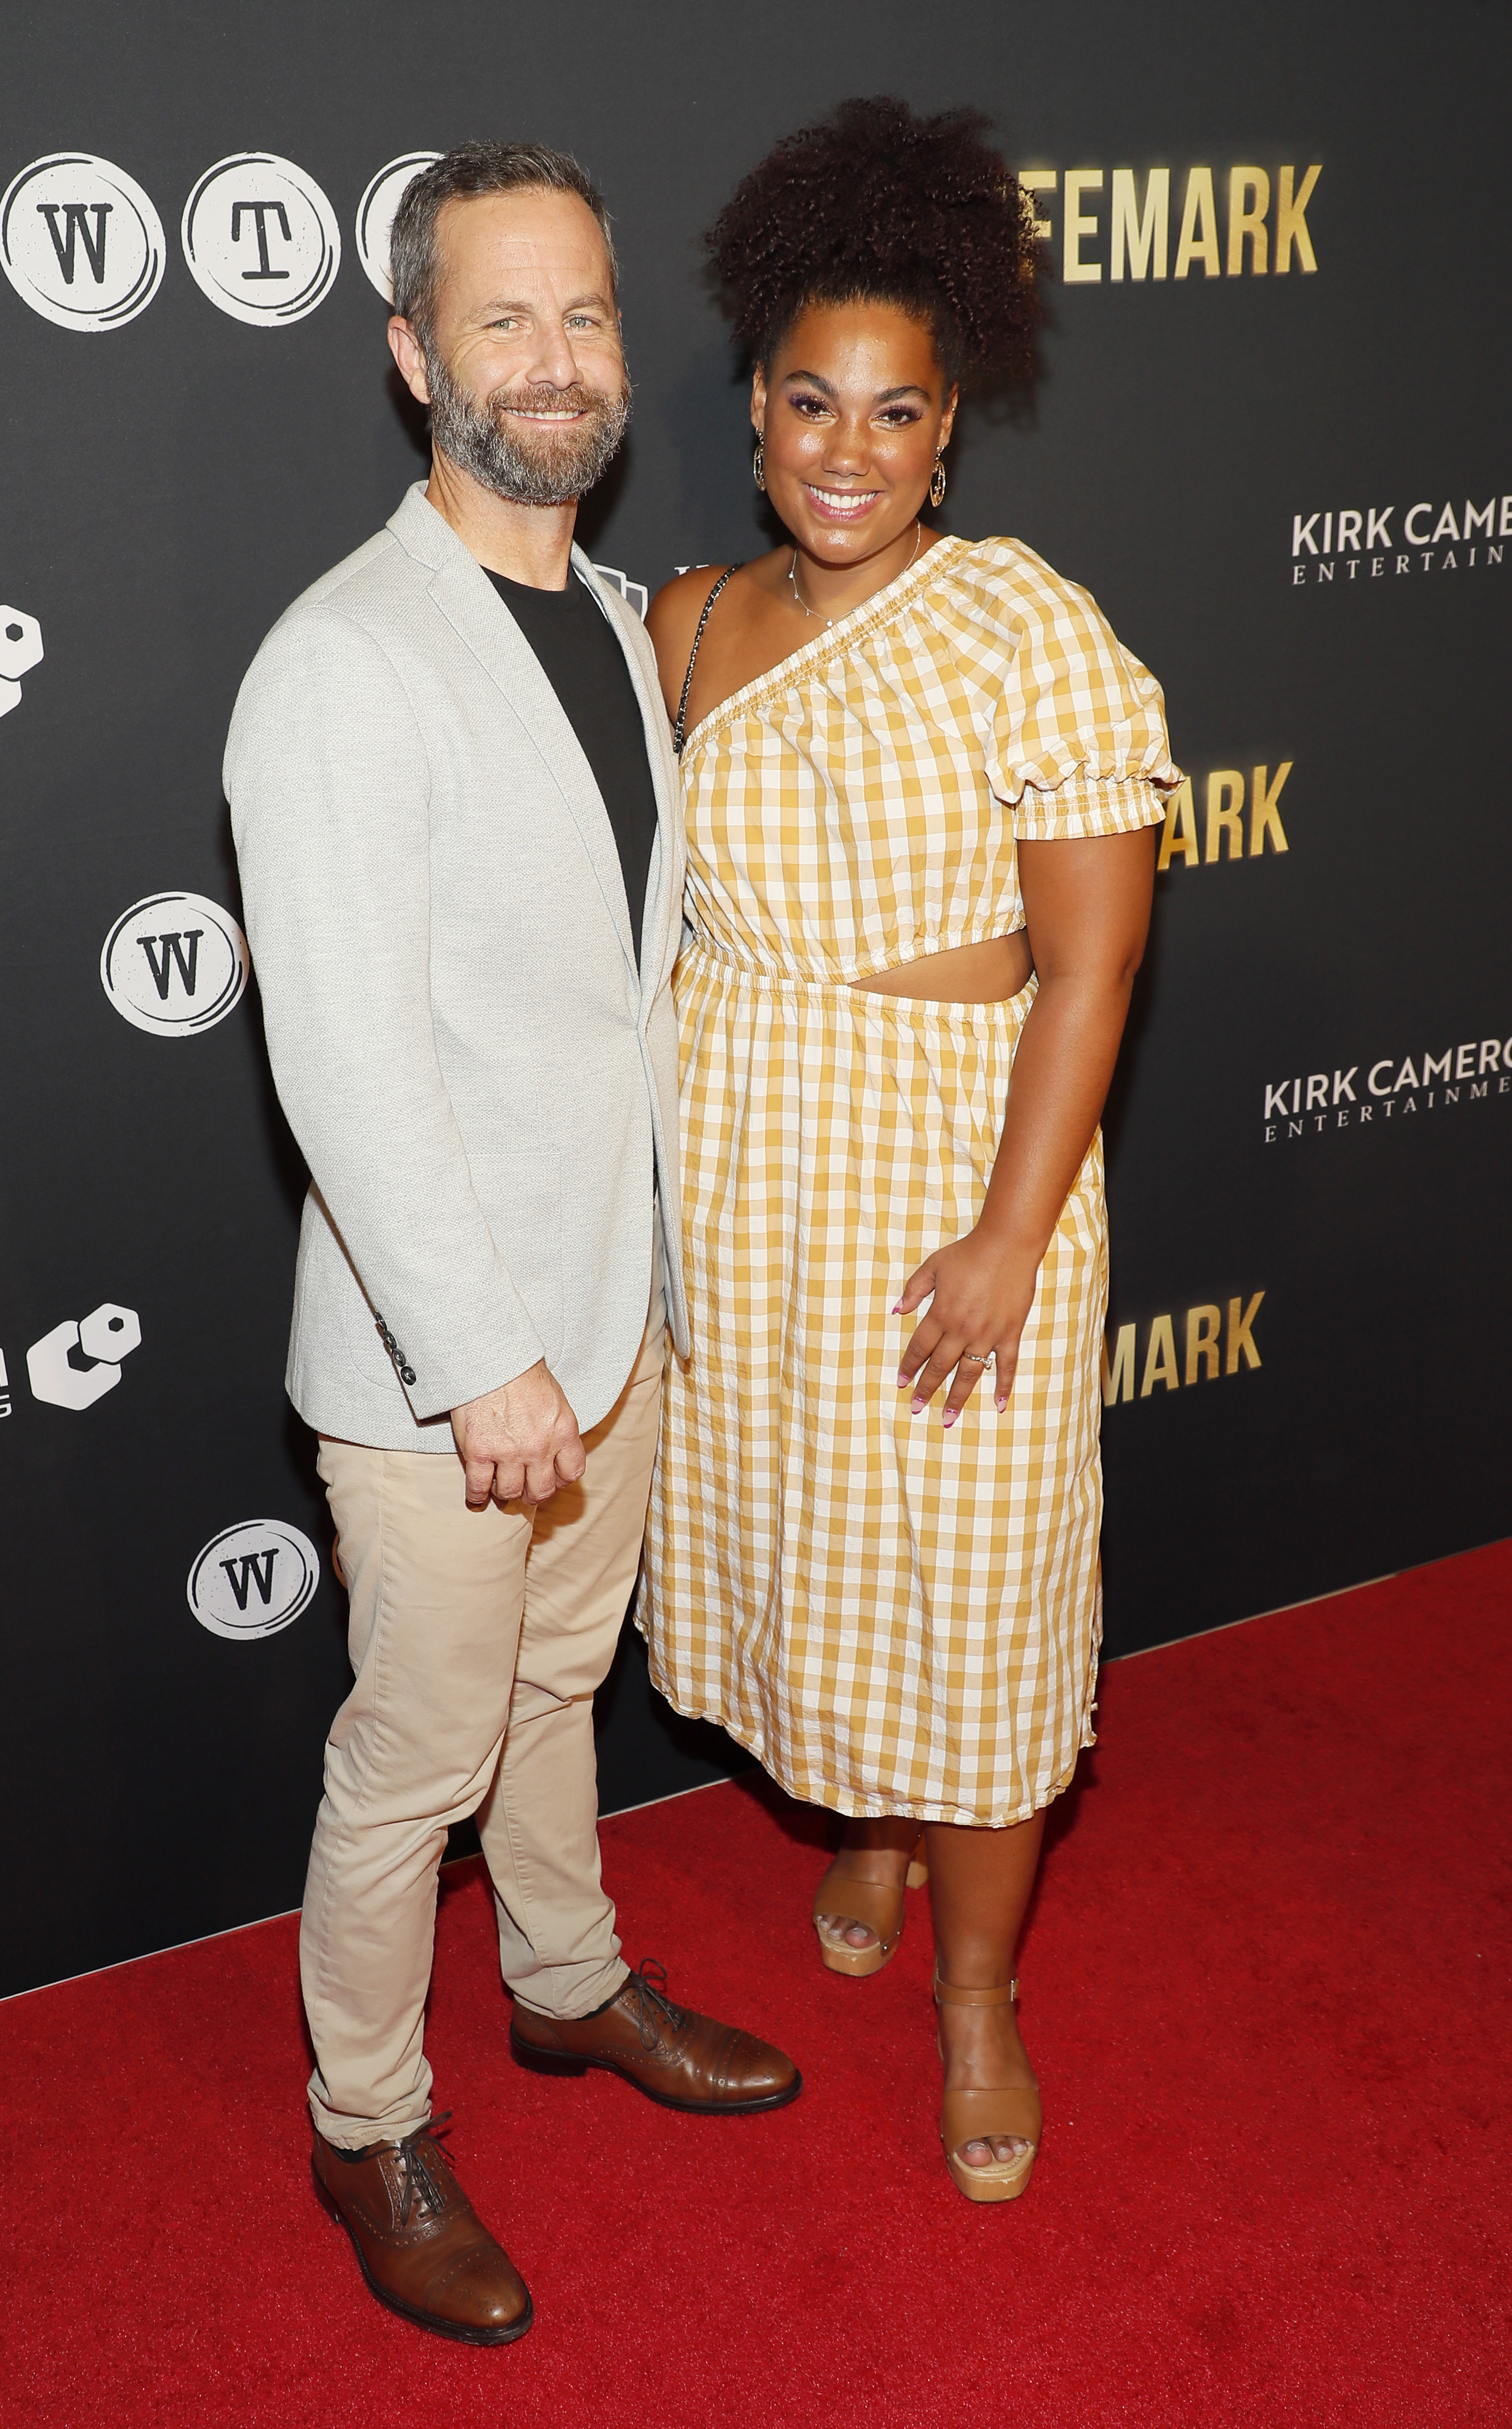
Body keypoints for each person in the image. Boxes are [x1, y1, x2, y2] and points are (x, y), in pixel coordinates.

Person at [225, 141, 798, 2346]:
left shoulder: (608, 620)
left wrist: (618, 1313)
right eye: (502, 320)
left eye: (584, 318)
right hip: (446, 1363)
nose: (553, 362)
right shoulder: (342, 663)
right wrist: (482, 1359)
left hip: (605, 1315)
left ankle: (561, 1981)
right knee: (416, 1756)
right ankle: (365, 2115)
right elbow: (347, 1066)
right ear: (410, 356)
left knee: (564, 1687)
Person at [640, 97, 1179, 2206]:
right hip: (750, 1180)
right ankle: (866, 1812)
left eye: (895, 411)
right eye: (808, 403)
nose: (846, 447)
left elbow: (1091, 970)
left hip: (953, 1179)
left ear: (947, 433)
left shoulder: (1025, 625)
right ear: (757, 414)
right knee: (824, 1561)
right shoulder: (685, 627)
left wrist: (1005, 1238)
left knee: (976, 1593)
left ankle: (976, 1998)